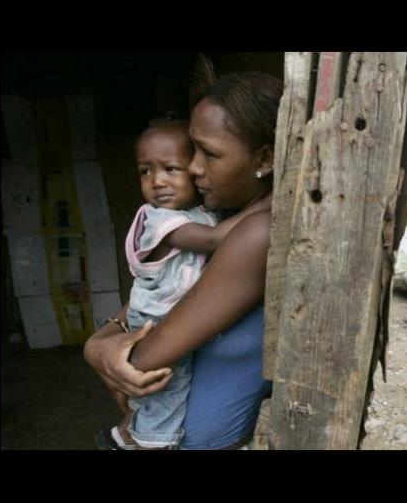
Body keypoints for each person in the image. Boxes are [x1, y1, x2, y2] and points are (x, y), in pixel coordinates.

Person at [84, 64, 283, 450]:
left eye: (209, 153)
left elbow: (140, 360)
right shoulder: (213, 219)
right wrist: (97, 346)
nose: (192, 168)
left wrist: (106, 353)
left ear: (264, 159)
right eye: (193, 148)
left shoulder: (259, 234)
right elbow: (147, 303)